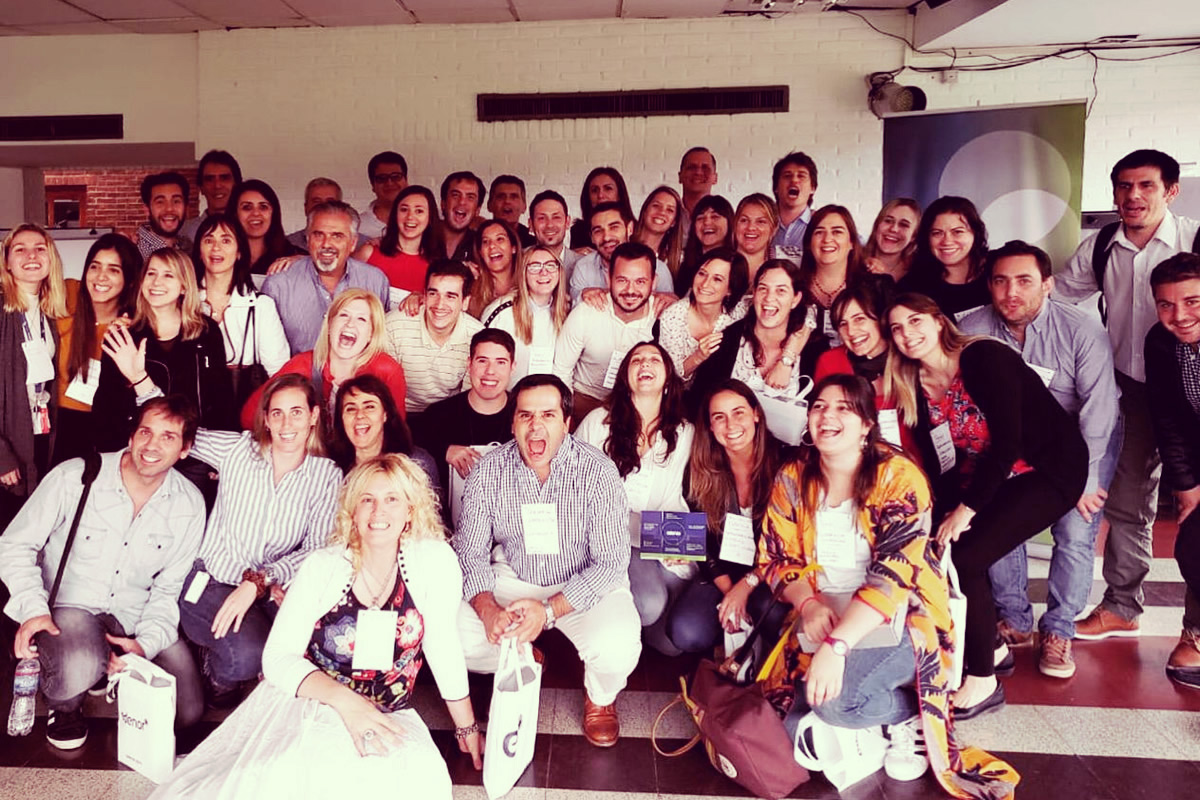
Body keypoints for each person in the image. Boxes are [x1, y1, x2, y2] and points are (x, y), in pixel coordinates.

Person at [149, 455, 481, 799]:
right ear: (352, 511)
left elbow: (442, 646)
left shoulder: (433, 561)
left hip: (387, 711)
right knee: (308, 775)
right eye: (367, 500)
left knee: (417, 782)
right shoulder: (323, 566)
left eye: (392, 499)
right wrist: (348, 704)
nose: (378, 511)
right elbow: (277, 658)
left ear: (410, 510)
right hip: (312, 701)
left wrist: (466, 727)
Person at [755, 374, 1020, 797]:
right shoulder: (795, 475)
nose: (827, 416)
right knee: (785, 721)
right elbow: (775, 556)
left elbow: (893, 578)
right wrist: (808, 605)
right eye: (819, 406)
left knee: (833, 704)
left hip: (904, 617)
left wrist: (837, 646)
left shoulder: (898, 477)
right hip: (827, 609)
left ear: (866, 424)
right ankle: (871, 703)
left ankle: (909, 715)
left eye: (843, 408)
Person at [886, 292, 1087, 717]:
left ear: (938, 321)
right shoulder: (915, 386)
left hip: (1047, 470)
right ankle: (991, 647)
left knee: (968, 556)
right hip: (992, 478)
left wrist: (967, 511)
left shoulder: (983, 357)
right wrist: (942, 516)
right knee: (945, 549)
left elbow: (1007, 442)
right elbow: (941, 462)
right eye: (897, 328)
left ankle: (983, 679)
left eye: (915, 321)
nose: (907, 334)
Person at [0, 396, 206, 748]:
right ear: (131, 436)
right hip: (70, 609)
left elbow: (168, 589)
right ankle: (66, 703)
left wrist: (144, 645)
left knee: (187, 711)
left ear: (185, 449)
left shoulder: (189, 504)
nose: (152, 446)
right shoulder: (76, 476)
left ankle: (107, 670)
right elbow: (15, 544)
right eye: (145, 432)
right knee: (79, 665)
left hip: (132, 615)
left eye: (168, 437)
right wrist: (33, 609)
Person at [1055, 149, 1200, 640]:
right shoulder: (1100, 247)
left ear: (1171, 191)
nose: (1133, 196)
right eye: (1123, 186)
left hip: (1193, 386)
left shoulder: (1195, 239)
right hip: (1131, 389)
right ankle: (1121, 605)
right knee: (1128, 502)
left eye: (1146, 185)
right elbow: (1058, 297)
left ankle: (1196, 627)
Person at [959, 241, 1120, 678]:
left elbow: (1099, 409)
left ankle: (1059, 629)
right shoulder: (971, 328)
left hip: (1080, 438)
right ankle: (1014, 618)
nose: (1011, 292)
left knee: (1075, 528)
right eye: (1000, 281)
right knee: (999, 521)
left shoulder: (1081, 329)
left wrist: (1085, 479)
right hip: (1013, 440)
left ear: (1048, 284)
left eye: (1024, 281)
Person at [455, 375, 640, 747]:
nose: (535, 425)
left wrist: (549, 611)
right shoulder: (488, 471)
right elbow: (470, 551)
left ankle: (600, 697)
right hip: (515, 572)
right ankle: (524, 654)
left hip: (582, 576)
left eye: (548, 415)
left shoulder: (598, 471)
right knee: (454, 636)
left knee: (618, 645)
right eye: (525, 415)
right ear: (512, 423)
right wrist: (488, 610)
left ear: (566, 422)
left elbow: (610, 562)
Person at [179, 373, 342, 704]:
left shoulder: (326, 475)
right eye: (277, 413)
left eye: (296, 412)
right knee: (248, 657)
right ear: (266, 419)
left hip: (268, 586)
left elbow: (316, 549)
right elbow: (175, 430)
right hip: (212, 579)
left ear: (313, 416)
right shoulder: (238, 450)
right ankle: (216, 674)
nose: (286, 423)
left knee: (312, 647)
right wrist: (140, 381)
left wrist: (261, 581)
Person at [575, 342, 695, 653]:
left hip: (667, 533)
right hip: (612, 538)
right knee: (649, 604)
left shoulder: (685, 433)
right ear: (625, 378)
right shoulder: (598, 422)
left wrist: (684, 538)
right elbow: (571, 483)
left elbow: (696, 493)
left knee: (673, 646)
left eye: (655, 359)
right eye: (636, 360)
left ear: (668, 380)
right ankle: (618, 629)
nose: (645, 364)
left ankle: (635, 627)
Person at [665, 380, 790, 653]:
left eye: (738, 412)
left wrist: (746, 586)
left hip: (772, 571)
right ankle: (730, 644)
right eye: (719, 417)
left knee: (772, 614)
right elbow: (703, 541)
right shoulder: (701, 470)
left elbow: (790, 545)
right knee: (686, 631)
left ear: (756, 414)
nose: (730, 425)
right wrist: (729, 592)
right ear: (710, 426)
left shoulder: (786, 463)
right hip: (722, 570)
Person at [92, 248, 235, 451]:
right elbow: (106, 404)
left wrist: (223, 451)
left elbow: (222, 397)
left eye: (168, 275)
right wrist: (110, 456)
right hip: (137, 449)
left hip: (194, 448)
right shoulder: (124, 334)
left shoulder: (206, 331)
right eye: (151, 273)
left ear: (184, 286)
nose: (156, 282)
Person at [1143, 253, 1200, 688]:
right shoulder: (1159, 343)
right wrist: (1186, 484)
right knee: (1192, 547)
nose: (1178, 315)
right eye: (1166, 304)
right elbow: (1167, 419)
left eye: (1192, 301)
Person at [241, 289, 406, 430]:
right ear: (330, 325)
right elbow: (250, 416)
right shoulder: (302, 365)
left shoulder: (387, 371)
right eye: (344, 315)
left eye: (361, 319)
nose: (350, 324)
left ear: (371, 334)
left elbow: (396, 431)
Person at [690, 258, 826, 412]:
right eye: (763, 288)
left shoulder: (814, 349)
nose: (769, 298)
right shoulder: (727, 340)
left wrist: (786, 361)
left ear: (795, 299)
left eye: (781, 290)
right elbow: (699, 404)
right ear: (754, 293)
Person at [0, 225, 70, 522]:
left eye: (40, 249)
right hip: (7, 442)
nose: (31, 255)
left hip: (38, 433)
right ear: (6, 262)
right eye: (20, 249)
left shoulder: (50, 310)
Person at [52, 234, 141, 465]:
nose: (101, 276)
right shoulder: (67, 296)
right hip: (56, 425)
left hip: (106, 431)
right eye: (95, 266)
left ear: (130, 280)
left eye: (114, 270)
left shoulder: (132, 330)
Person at [261, 200, 391, 355]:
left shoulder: (375, 280)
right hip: (296, 370)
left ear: (352, 243)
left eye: (337, 236)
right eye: (318, 235)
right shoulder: (278, 285)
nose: (326, 244)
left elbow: (380, 340)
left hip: (358, 371)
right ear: (308, 240)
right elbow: (267, 349)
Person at [554, 242, 660, 426]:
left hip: (635, 404)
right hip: (584, 399)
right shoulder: (586, 312)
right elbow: (561, 369)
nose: (630, 290)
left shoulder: (662, 317)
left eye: (640, 281)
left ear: (654, 282)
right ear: (608, 279)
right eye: (622, 280)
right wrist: (566, 415)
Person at [814, 279, 920, 461]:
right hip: (851, 463)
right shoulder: (830, 363)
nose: (851, 331)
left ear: (880, 320)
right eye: (843, 324)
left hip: (910, 465)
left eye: (859, 319)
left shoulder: (908, 356)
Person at [192, 214, 290, 408]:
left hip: (245, 412)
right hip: (194, 411)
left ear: (239, 252)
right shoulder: (185, 302)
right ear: (199, 251)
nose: (216, 248)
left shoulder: (260, 306)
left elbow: (279, 374)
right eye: (209, 240)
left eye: (226, 240)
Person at [419, 329, 515, 497]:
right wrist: (444, 450)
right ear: (469, 364)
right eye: (482, 361)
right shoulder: (438, 415)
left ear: (512, 367)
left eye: (500, 362)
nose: (490, 371)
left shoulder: (526, 414)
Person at [384, 259, 482, 418]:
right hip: (399, 411)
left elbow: (467, 400)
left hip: (448, 414)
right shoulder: (394, 325)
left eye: (450, 296)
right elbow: (384, 391)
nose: (439, 304)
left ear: (465, 302)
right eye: (433, 293)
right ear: (424, 295)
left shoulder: (476, 337)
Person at [331, 373, 440, 494]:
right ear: (341, 418)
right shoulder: (330, 469)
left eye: (369, 407)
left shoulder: (417, 463)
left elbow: (430, 506)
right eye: (351, 409)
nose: (360, 415)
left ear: (385, 414)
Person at [657, 248, 749, 384]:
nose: (705, 284)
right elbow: (670, 376)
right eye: (702, 274)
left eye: (717, 279)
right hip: (681, 393)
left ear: (730, 289)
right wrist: (698, 356)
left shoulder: (740, 312)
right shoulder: (673, 317)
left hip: (724, 390)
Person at [481, 247, 569, 387]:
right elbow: (479, 361)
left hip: (545, 396)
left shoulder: (565, 313)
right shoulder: (501, 311)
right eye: (535, 266)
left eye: (550, 265)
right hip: (508, 396)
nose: (543, 272)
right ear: (524, 273)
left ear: (559, 272)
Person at [899, 196, 991, 320]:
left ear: (975, 233)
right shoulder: (913, 286)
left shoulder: (997, 267)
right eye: (937, 233)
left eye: (957, 232)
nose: (947, 241)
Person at [568, 202, 675, 304]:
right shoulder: (583, 268)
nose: (606, 237)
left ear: (630, 229)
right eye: (598, 231)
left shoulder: (658, 268)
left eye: (614, 227)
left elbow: (668, 309)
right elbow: (575, 309)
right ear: (591, 237)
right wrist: (583, 297)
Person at [798, 204, 871, 347]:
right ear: (809, 243)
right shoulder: (794, 289)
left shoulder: (872, 288)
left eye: (837, 232)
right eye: (819, 232)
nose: (827, 239)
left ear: (851, 243)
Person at [353, 185, 445, 296]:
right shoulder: (368, 253)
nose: (410, 217)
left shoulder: (437, 265)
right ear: (395, 214)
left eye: (419, 211)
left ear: (430, 217)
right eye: (404, 210)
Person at [229, 179, 304, 276]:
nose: (256, 213)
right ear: (235, 213)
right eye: (247, 207)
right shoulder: (221, 254)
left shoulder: (292, 255)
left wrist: (303, 261)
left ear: (273, 213)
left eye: (263, 207)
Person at [286, 177, 370, 252]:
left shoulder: (364, 244)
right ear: (305, 207)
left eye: (330, 202)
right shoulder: (288, 243)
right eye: (316, 201)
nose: (323, 206)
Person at [675, 195, 736, 297]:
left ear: (729, 222)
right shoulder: (686, 266)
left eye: (715, 217)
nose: (707, 222)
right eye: (700, 218)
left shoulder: (736, 264)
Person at [181, 149, 242, 242]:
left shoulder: (248, 228)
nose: (217, 185)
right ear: (201, 188)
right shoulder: (185, 233)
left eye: (224, 178)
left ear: (236, 184)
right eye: (209, 179)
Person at [568, 166, 634, 250]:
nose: (600, 195)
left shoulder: (637, 230)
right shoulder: (579, 230)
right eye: (594, 190)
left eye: (608, 188)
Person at [529, 189, 585, 286]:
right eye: (542, 218)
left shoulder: (583, 264)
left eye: (556, 217)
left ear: (567, 222)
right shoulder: (518, 262)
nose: (550, 225)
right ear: (530, 224)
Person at [770, 151, 818, 263]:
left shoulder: (821, 223)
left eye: (801, 176)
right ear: (776, 187)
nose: (794, 180)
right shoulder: (760, 224)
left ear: (813, 188)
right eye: (787, 176)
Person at [468, 219, 521, 318]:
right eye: (485, 242)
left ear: (513, 248)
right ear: (480, 252)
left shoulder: (528, 284)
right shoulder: (471, 288)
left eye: (500, 239)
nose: (492, 246)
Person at [633, 185, 684, 284]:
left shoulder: (674, 262)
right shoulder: (623, 243)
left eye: (670, 210)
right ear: (645, 211)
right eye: (656, 206)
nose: (662, 212)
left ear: (674, 222)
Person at [135, 171, 191, 260]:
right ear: (147, 209)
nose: (169, 208)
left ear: (186, 207)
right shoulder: (133, 251)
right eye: (160, 202)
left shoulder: (188, 247)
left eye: (176, 201)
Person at [863, 198, 921, 284]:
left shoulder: (920, 272)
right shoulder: (853, 263)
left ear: (914, 236)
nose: (893, 229)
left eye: (904, 225)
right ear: (877, 225)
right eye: (888, 221)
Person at [358, 150, 409, 241]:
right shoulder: (358, 227)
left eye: (396, 177)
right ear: (373, 185)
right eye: (381, 178)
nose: (389, 183)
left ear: (406, 181)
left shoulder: (425, 221)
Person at [733, 192, 779, 286]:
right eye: (744, 220)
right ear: (735, 224)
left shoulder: (786, 267)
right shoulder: (717, 263)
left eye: (761, 222)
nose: (751, 227)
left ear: (774, 228)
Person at [439, 171, 485, 263]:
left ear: (477, 210)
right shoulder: (422, 238)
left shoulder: (481, 245)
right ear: (443, 204)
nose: (462, 202)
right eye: (455, 195)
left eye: (470, 197)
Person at [678, 147, 718, 244]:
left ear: (715, 178)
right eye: (691, 167)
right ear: (680, 176)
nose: (698, 172)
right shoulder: (667, 215)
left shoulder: (725, 219)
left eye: (705, 168)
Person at [488, 174, 536, 247]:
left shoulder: (534, 245)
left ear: (524, 206)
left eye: (514, 197)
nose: (507, 201)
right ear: (489, 205)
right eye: (501, 197)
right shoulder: (477, 241)